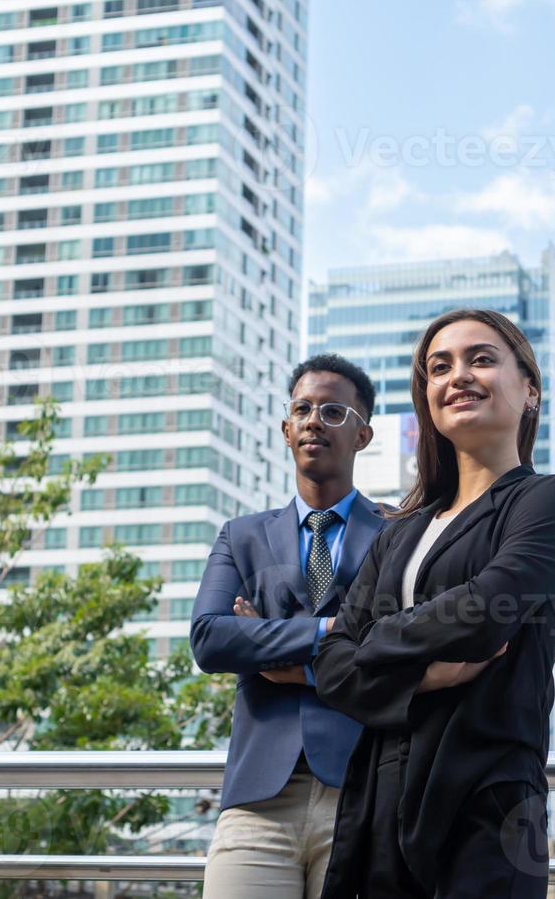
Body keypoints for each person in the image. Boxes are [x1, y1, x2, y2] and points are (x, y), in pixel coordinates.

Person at [312, 308, 555, 898]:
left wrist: (377, 638)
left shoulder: (548, 500)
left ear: (529, 389)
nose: (457, 376)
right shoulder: (400, 532)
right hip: (380, 802)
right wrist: (422, 679)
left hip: (488, 798)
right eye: (439, 368)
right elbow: (332, 665)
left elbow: (489, 610)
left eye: (481, 359)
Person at [191, 354, 387, 899]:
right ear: (285, 428)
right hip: (257, 801)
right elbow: (209, 638)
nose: (313, 420)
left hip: (364, 795)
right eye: (301, 409)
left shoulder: (399, 533)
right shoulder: (242, 536)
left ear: (362, 434)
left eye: (332, 410)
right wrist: (330, 635)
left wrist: (279, 655)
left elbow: (400, 653)